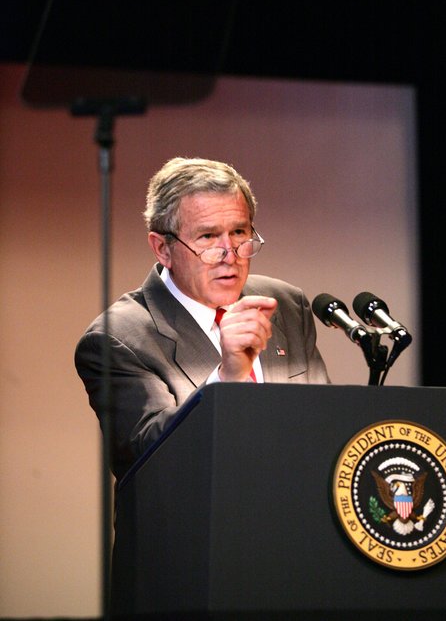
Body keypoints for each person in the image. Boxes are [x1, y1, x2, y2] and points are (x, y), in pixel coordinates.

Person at [75, 157, 329, 480]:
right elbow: (148, 462)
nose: (231, 254)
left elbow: (323, 424)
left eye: (239, 232)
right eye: (208, 237)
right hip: (195, 528)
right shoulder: (118, 338)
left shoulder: (287, 306)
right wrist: (227, 378)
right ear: (162, 249)